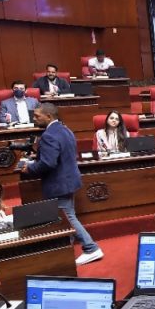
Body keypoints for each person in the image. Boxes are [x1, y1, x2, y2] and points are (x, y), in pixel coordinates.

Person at [18, 104, 103, 265]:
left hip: (59, 183)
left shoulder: (49, 135)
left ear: (48, 116)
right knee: (66, 216)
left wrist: (29, 168)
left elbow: (48, 163)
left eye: (37, 116)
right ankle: (66, 250)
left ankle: (91, 248)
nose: (34, 119)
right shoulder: (65, 129)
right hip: (69, 180)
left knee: (68, 217)